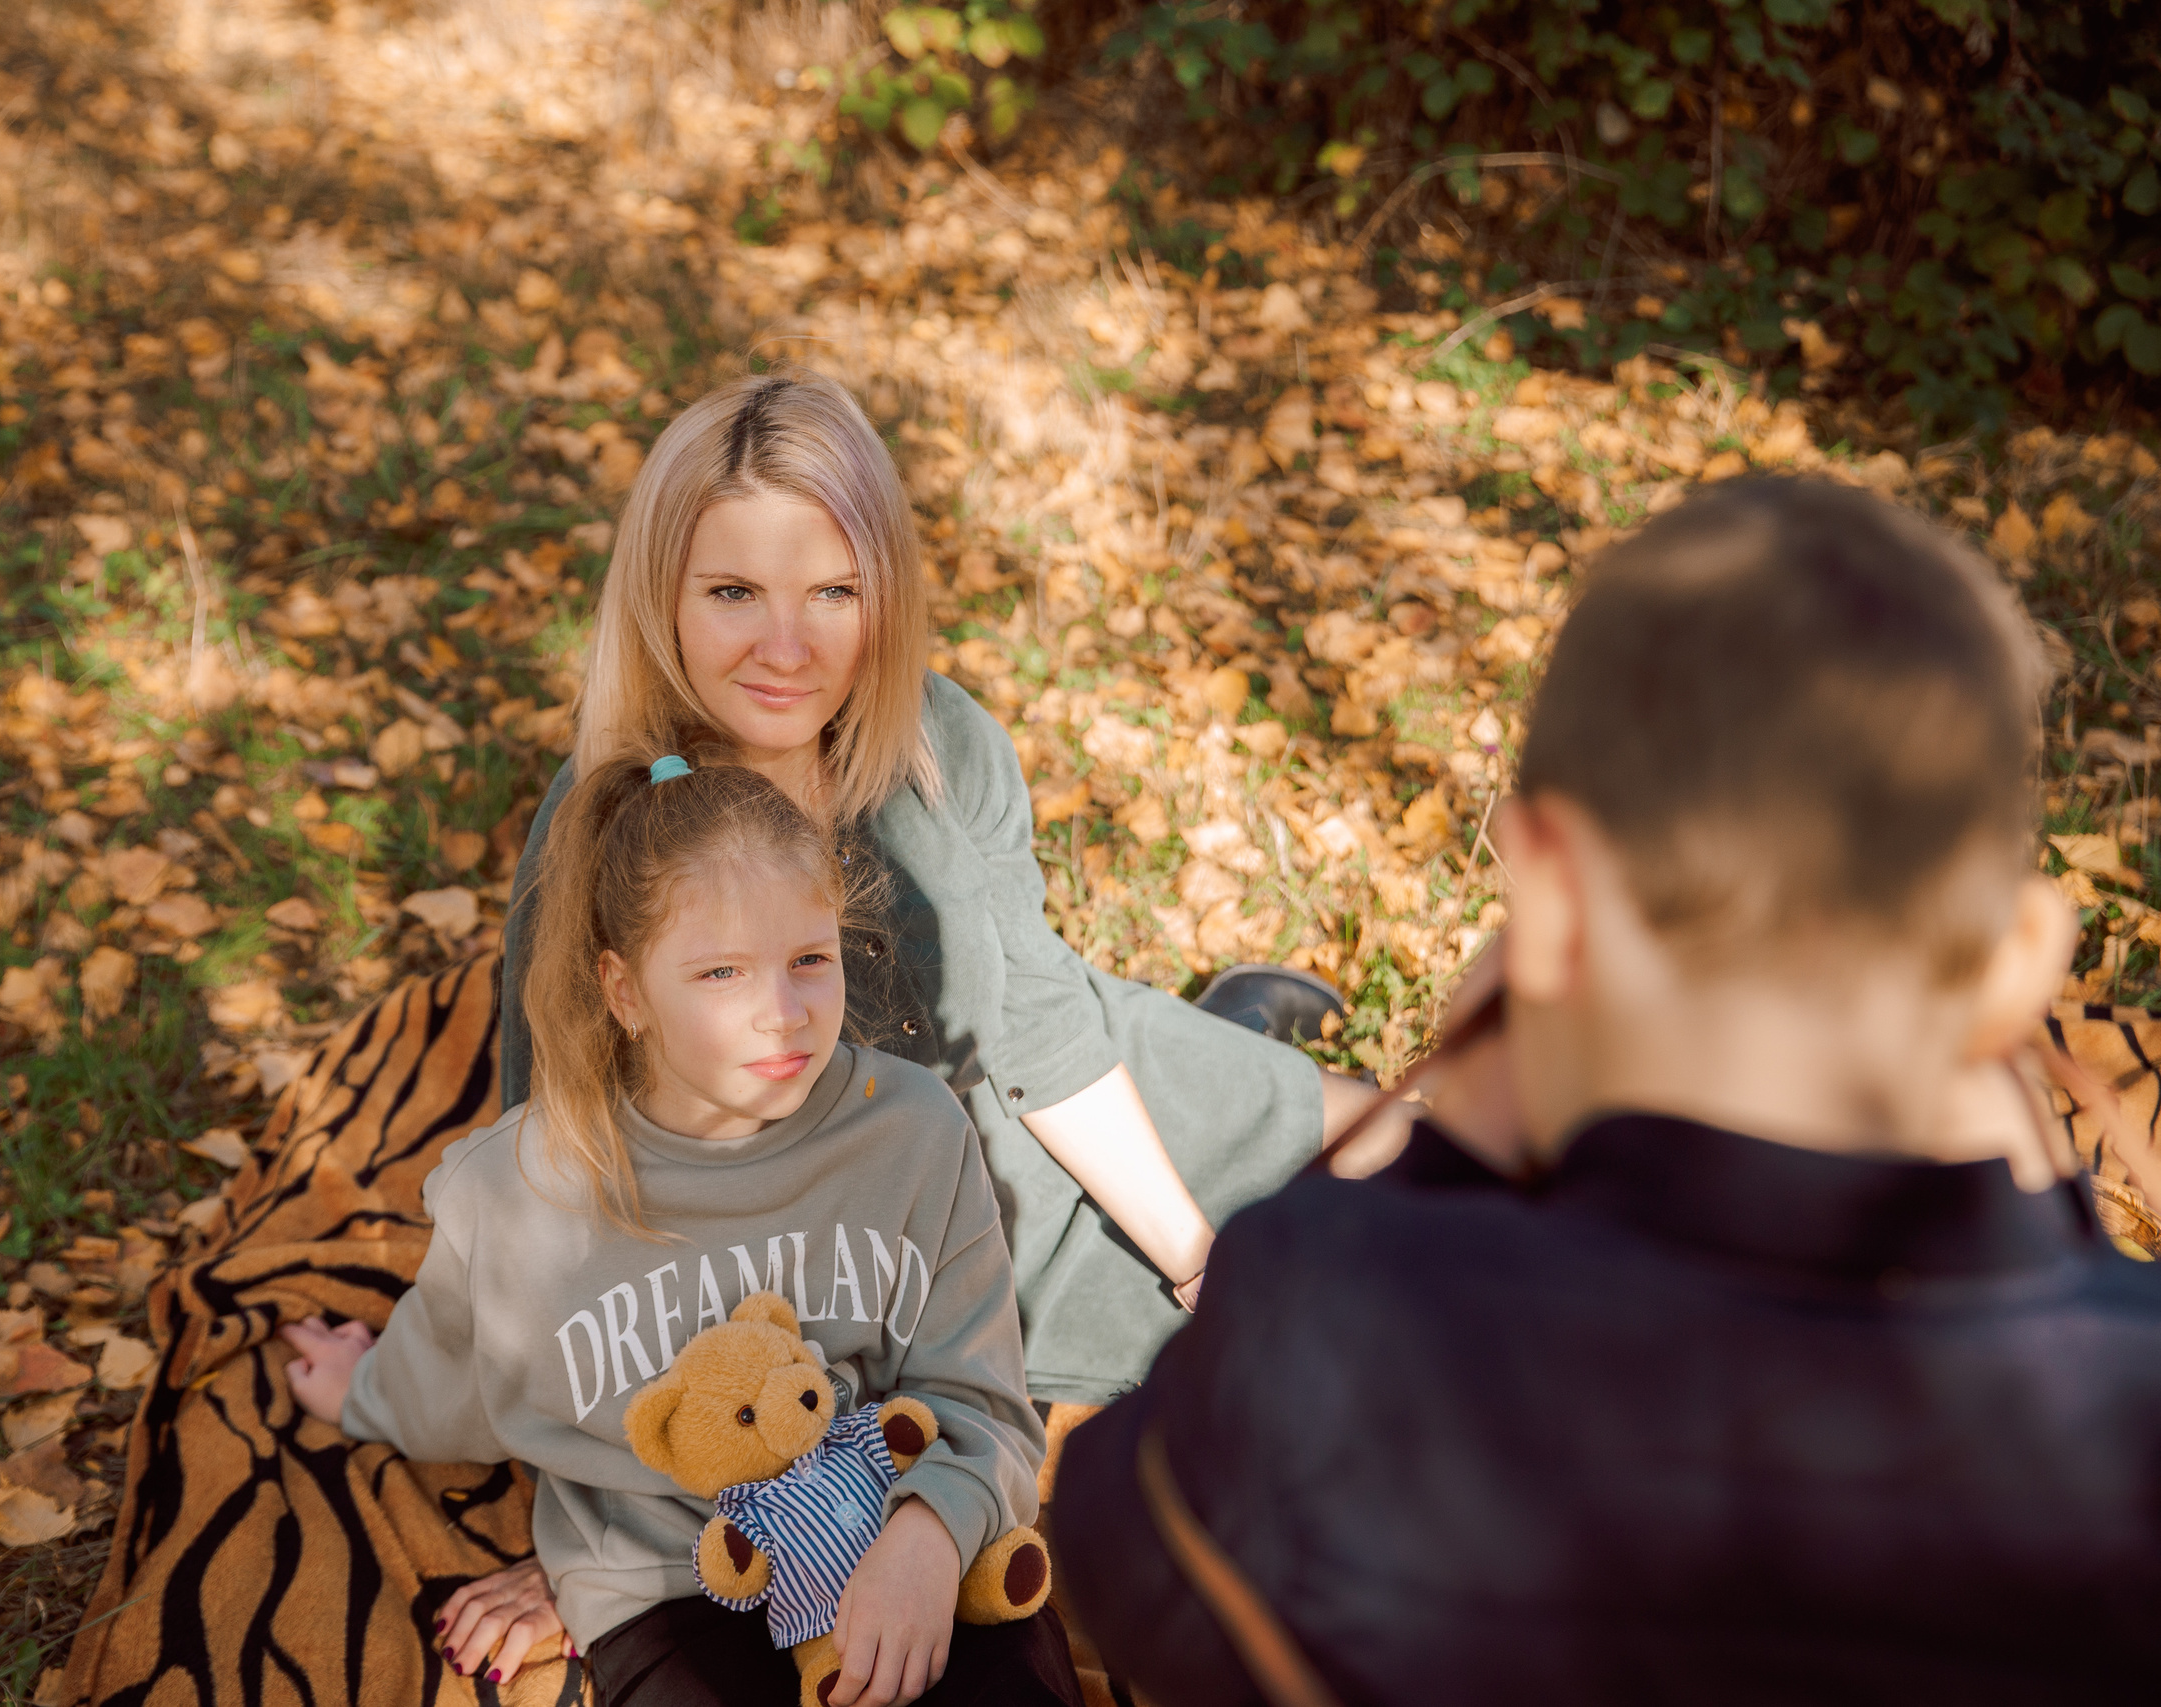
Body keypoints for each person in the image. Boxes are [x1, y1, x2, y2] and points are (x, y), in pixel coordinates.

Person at [1050, 477, 2161, 1703]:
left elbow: (1114, 1539)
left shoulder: (1326, 1322)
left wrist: (1450, 1142)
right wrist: (2052, 1229)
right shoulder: (2126, 1418)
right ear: (2019, 965)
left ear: (1545, 903)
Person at [501, 369, 1381, 1415]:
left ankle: (1227, 1036)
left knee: (1419, 1149)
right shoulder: (604, 821)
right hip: (899, 1265)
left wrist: (1195, 1258)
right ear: (662, 596)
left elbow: (1041, 1018)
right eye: (733, 592)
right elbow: (558, 1155)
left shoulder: (939, 736)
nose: (786, 648)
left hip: (1068, 1109)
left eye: (834, 592)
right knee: (1328, 1357)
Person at [281, 748, 1078, 1707]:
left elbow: (981, 1398)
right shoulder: (519, 1191)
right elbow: (448, 1371)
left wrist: (932, 1533)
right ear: (624, 991)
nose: (783, 1014)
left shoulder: (912, 1131)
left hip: (902, 1518)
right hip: (674, 1584)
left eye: (810, 959)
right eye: (722, 971)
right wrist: (361, 1392)